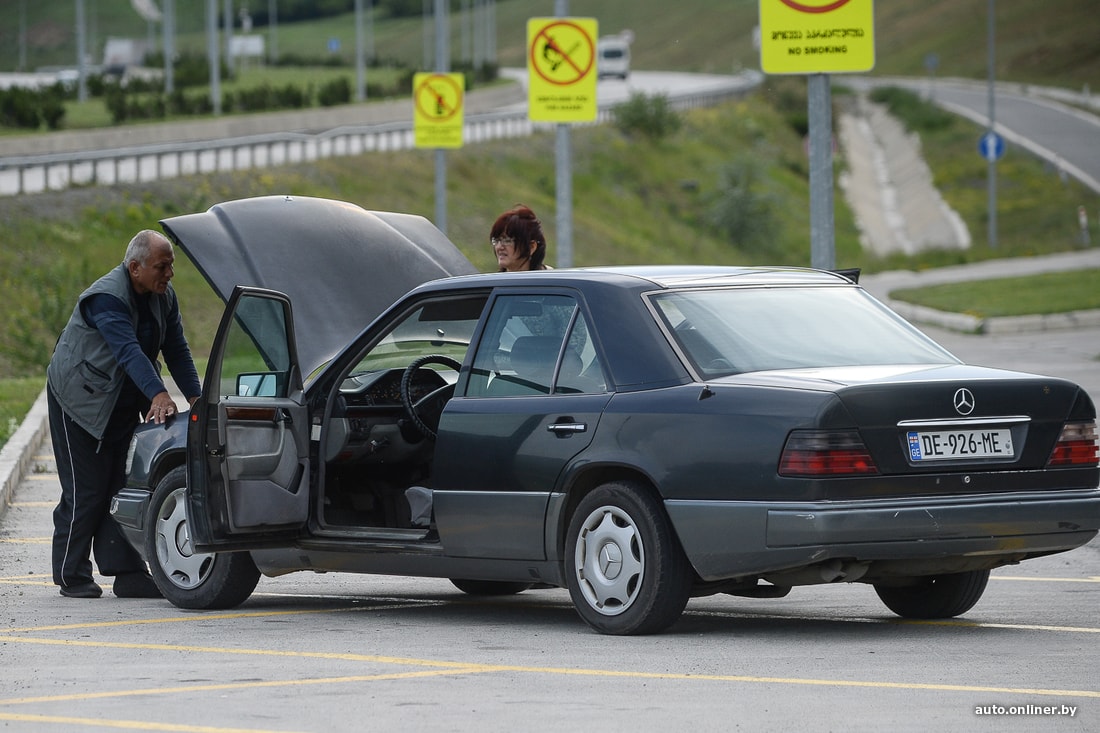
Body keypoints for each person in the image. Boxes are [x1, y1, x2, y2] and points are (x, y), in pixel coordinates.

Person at [47, 229, 202, 599]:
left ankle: (128, 572)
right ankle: (70, 573)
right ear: (135, 268)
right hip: (78, 402)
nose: (169, 274)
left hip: (118, 400)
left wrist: (197, 398)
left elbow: (177, 349)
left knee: (123, 487)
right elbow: (129, 352)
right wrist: (159, 394)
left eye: (171, 266)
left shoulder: (164, 298)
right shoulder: (106, 299)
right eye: (162, 266)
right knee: (87, 490)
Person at [490, 204, 551, 271]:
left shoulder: (550, 279)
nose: (499, 247)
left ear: (531, 247)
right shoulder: (493, 280)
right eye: (496, 240)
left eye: (507, 240)